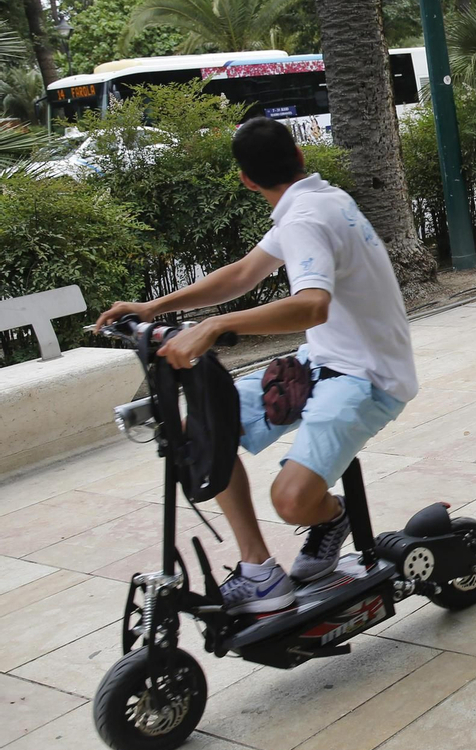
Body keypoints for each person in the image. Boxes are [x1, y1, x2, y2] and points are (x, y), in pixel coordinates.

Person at [95, 118, 417, 614]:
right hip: (323, 360)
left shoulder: (308, 217)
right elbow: (243, 274)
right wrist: (153, 308)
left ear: (245, 179)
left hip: (366, 377)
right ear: (301, 157)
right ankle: (259, 571)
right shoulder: (316, 202)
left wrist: (215, 327)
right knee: (198, 429)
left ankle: (331, 516)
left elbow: (312, 306)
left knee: (289, 501)